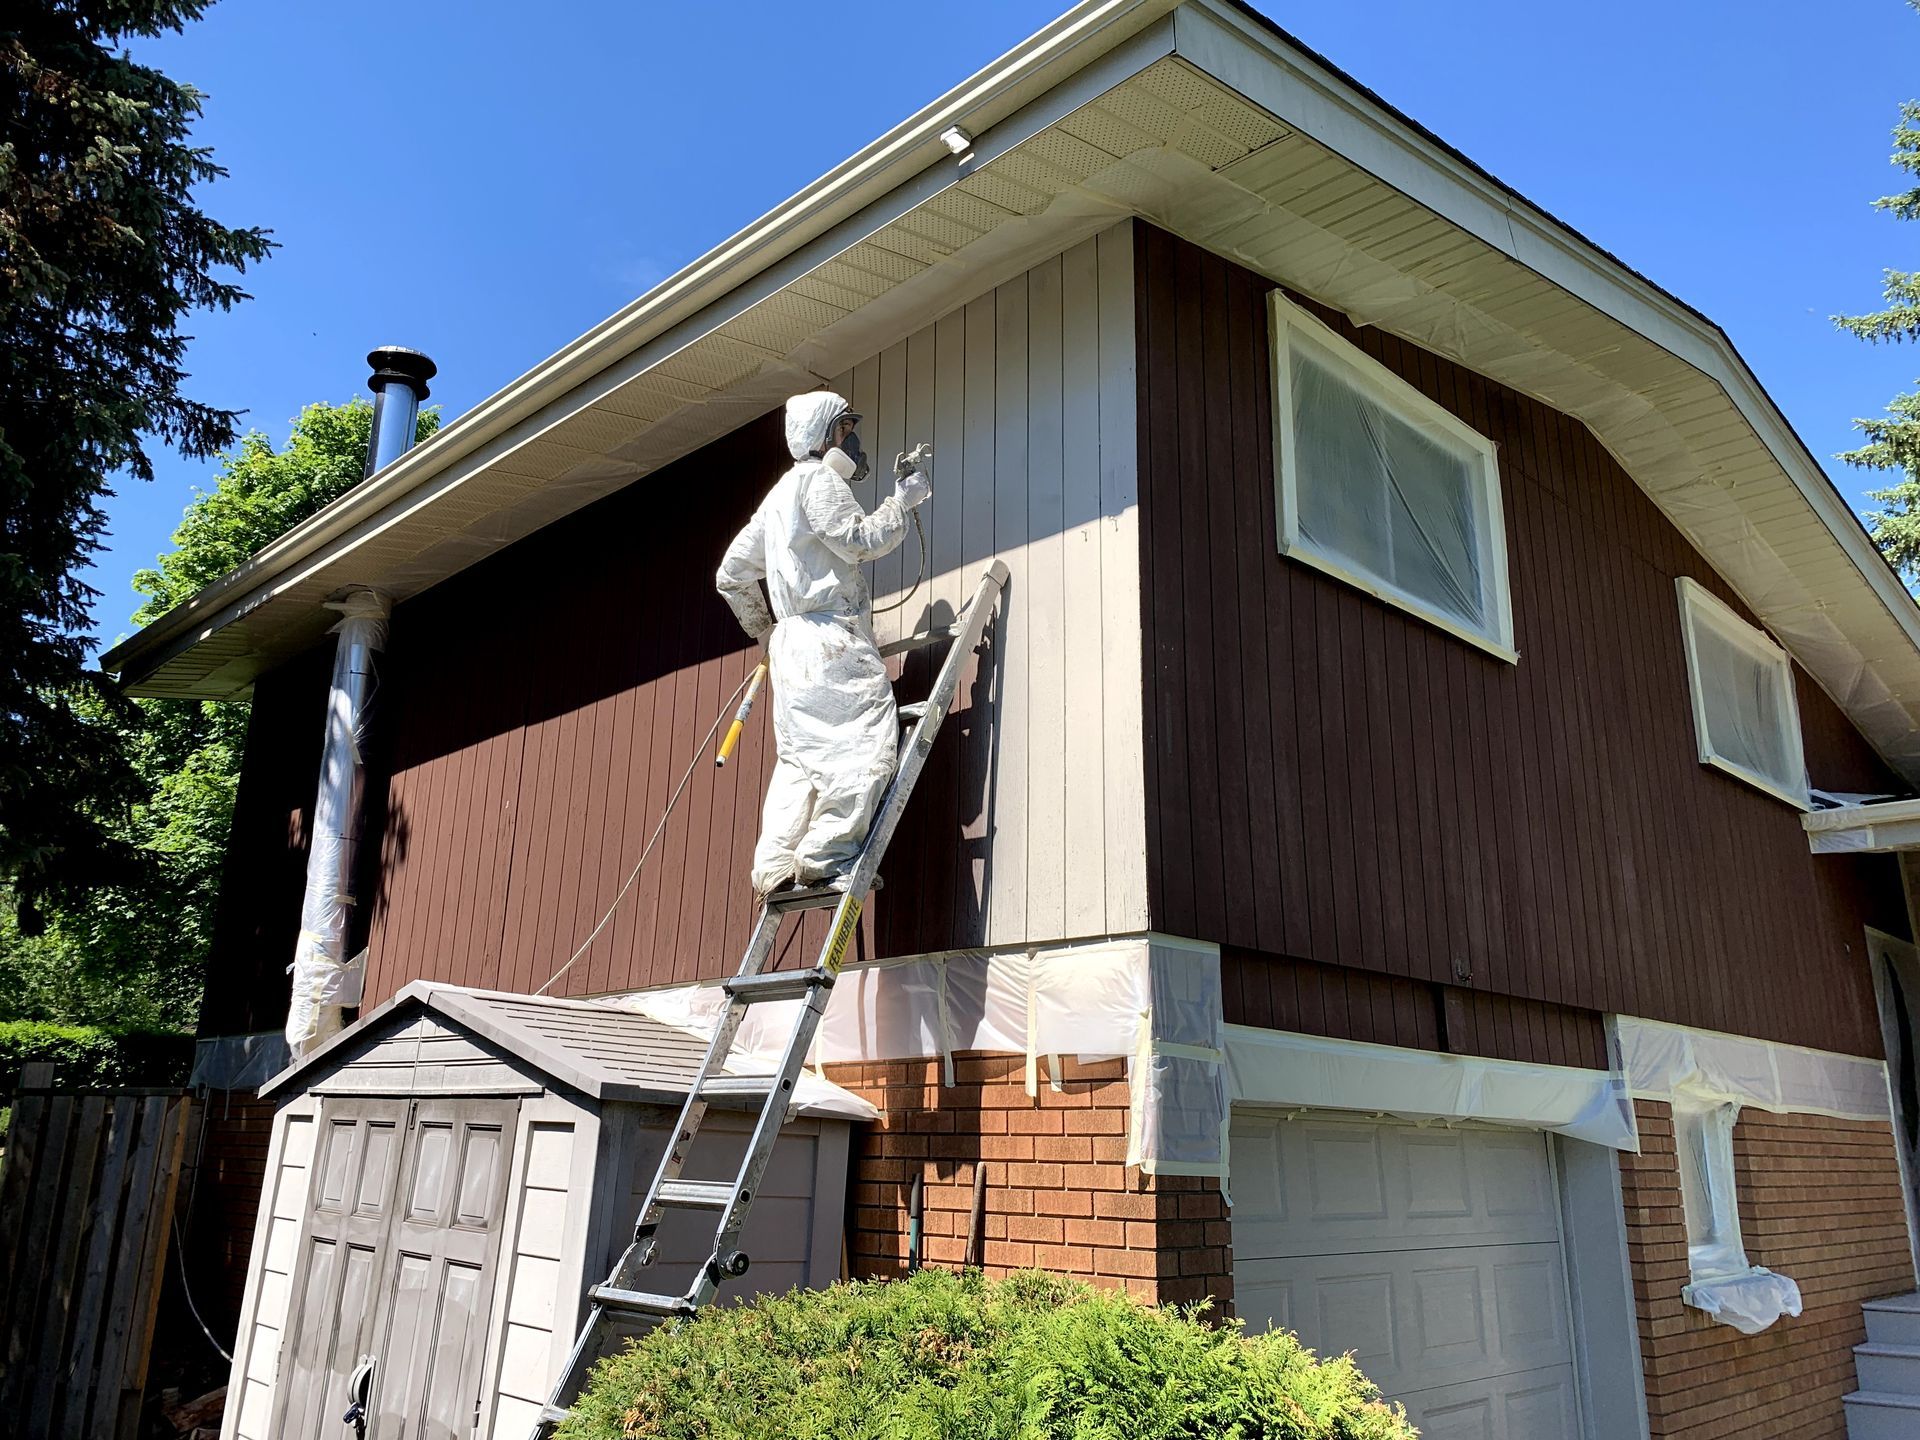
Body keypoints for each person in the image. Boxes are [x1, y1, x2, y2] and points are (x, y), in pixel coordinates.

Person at [715, 391, 932, 895]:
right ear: (826, 434)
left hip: (791, 647)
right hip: (830, 639)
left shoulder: (779, 495)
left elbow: (730, 575)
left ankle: (773, 865)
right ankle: (826, 859)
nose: (851, 439)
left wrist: (768, 632)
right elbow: (859, 540)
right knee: (864, 747)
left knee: (801, 760)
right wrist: (903, 500)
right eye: (845, 428)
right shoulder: (819, 481)